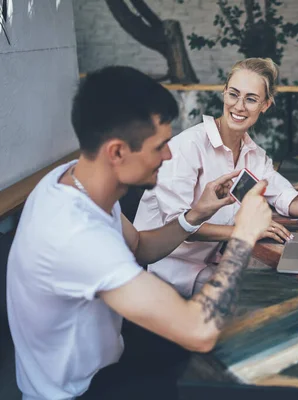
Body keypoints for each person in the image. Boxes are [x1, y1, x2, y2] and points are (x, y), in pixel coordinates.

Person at [6, 66, 272, 400]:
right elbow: (198, 331)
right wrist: (243, 235)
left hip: (110, 357)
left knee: (242, 338)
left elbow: (142, 248)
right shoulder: (75, 234)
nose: (170, 154)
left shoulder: (76, 182)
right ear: (117, 152)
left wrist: (197, 213)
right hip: (79, 391)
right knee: (235, 366)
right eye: (159, 146)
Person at [134, 57, 298, 297]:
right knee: (274, 297)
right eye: (233, 94)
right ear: (224, 93)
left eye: (251, 99)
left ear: (265, 105)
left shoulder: (254, 155)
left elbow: (288, 199)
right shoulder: (187, 147)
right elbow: (178, 226)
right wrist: (247, 231)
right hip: (165, 273)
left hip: (213, 262)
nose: (239, 106)